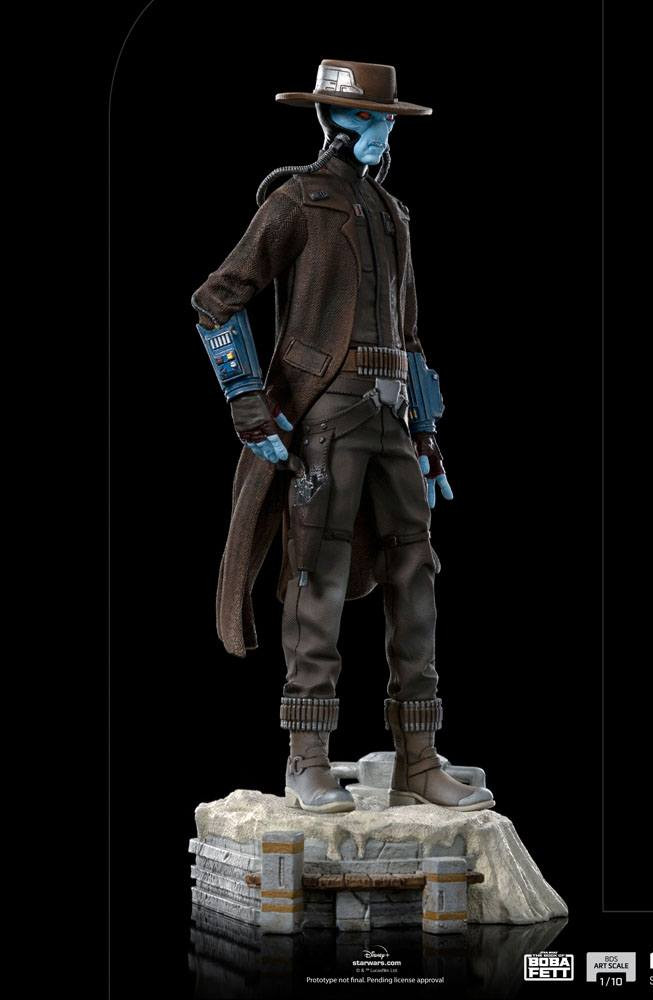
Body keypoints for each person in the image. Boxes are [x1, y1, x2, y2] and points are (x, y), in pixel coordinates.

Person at [192, 59, 494, 814]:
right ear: (330, 120)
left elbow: (411, 336)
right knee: (315, 580)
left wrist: (427, 432)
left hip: (392, 419)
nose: (378, 129)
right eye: (365, 116)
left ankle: (418, 759)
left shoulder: (393, 213)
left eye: (385, 118)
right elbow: (217, 299)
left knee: (415, 578)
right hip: (325, 420)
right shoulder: (296, 201)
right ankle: (307, 758)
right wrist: (246, 400)